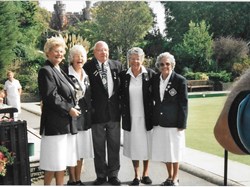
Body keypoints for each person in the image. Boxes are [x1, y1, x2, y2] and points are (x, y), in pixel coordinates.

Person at [38, 36, 80, 185]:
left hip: (65, 125)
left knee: (60, 164)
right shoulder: (46, 71)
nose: (59, 54)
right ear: (48, 52)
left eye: (62, 51)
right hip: (55, 126)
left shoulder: (59, 70)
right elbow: (51, 96)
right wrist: (69, 109)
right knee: (52, 164)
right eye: (56, 51)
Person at [83, 41, 122, 186]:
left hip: (114, 114)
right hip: (96, 114)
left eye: (105, 50)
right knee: (98, 147)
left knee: (114, 146)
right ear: (94, 52)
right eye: (100, 50)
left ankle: (113, 175)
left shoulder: (117, 66)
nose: (103, 53)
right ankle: (101, 175)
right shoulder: (87, 67)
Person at [151, 52, 188, 186]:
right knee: (165, 152)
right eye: (161, 64)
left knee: (175, 151)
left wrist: (182, 123)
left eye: (167, 64)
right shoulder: (155, 79)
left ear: (172, 65)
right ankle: (169, 176)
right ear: (158, 66)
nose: (164, 66)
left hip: (174, 123)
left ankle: (176, 178)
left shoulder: (180, 80)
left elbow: (183, 103)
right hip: (160, 123)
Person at [119, 47, 155, 186]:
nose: (135, 61)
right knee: (134, 148)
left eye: (138, 58)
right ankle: (136, 175)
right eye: (132, 58)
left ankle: (146, 174)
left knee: (146, 147)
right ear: (128, 60)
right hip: (131, 118)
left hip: (146, 118)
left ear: (143, 59)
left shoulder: (150, 74)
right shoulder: (123, 75)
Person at [66, 44, 94, 185]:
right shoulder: (66, 74)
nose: (79, 59)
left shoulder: (86, 75)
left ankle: (78, 179)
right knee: (72, 150)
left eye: (82, 56)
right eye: (76, 56)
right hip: (71, 118)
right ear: (71, 58)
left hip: (84, 119)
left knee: (81, 150)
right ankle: (72, 179)